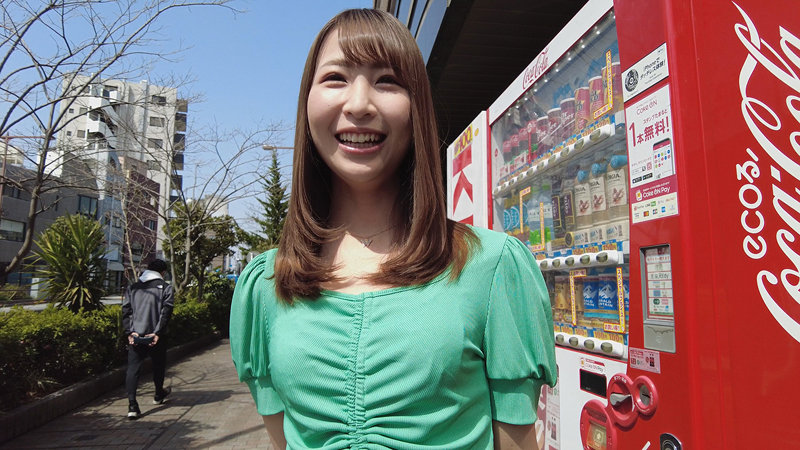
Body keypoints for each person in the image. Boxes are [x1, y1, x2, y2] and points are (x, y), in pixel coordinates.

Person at [230, 8, 556, 449]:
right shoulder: (267, 283)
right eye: (335, 78)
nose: (359, 104)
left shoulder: (493, 266)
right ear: (306, 102)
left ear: (417, 107)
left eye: (387, 81)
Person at [122, 258, 174, 420]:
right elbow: (166, 312)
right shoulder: (166, 288)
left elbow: (126, 311)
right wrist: (157, 332)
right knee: (158, 366)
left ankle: (132, 406)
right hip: (156, 336)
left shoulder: (133, 287)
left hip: (136, 336)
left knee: (133, 369)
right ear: (163, 273)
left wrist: (130, 332)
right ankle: (158, 394)